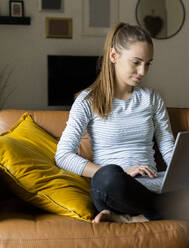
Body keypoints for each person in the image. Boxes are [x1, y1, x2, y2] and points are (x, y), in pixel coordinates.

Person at [55, 22, 175, 223]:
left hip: (151, 185)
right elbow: (63, 156)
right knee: (110, 177)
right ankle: (171, 209)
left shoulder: (152, 98)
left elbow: (167, 146)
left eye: (148, 63)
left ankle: (132, 218)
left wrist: (183, 175)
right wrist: (121, 173)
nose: (143, 71)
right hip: (115, 187)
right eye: (136, 62)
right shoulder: (87, 101)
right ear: (113, 56)